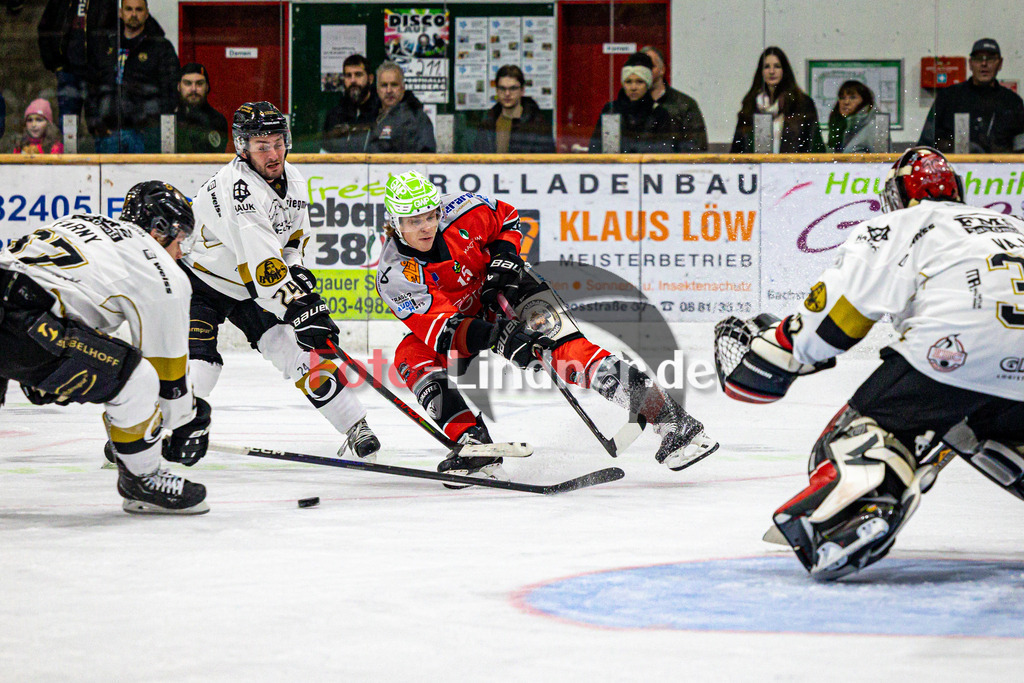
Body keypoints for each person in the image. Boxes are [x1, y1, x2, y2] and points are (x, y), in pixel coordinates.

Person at [714, 147, 1024, 580]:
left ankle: (864, 506)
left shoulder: (902, 224)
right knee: (982, 421)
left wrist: (775, 350)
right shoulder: (1015, 227)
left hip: (953, 354)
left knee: (849, 437)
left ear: (897, 196)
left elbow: (830, 325)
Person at [375, 171, 718, 481]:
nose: (425, 226)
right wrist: (500, 339)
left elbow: (508, 218)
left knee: (568, 352)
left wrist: (505, 260)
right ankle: (471, 442)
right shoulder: (395, 274)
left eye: (430, 216)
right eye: (413, 220)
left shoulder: (463, 209)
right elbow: (446, 330)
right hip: (469, 320)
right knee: (410, 355)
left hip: (511, 288)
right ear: (394, 222)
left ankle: (671, 418)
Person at [185, 101, 381, 460]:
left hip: (247, 282)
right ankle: (148, 429)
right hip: (201, 280)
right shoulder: (239, 192)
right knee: (201, 366)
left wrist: (299, 271)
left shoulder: (294, 180)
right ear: (243, 149)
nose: (273, 153)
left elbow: (292, 242)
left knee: (293, 350)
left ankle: (355, 425)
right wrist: (301, 308)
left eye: (278, 142)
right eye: (262, 146)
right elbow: (263, 270)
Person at [0, 181, 210, 514]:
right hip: (23, 323)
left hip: (15, 305)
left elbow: (63, 294)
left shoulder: (84, 222)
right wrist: (188, 419)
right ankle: (144, 481)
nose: (181, 251)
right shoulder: (159, 264)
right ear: (159, 230)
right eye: (181, 238)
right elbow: (167, 379)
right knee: (137, 377)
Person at [86, 0, 179, 153]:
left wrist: (153, 124)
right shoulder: (105, 45)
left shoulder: (161, 47)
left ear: (147, 13)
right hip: (108, 133)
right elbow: (92, 85)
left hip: (145, 134)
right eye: (129, 9)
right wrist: (95, 123)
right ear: (121, 13)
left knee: (144, 177)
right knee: (108, 178)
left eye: (139, 10)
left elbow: (171, 89)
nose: (134, 14)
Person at [918, 38, 1024, 153]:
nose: (984, 64)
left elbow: (1021, 149)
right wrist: (951, 146)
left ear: (1000, 63)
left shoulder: (1012, 102)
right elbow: (925, 146)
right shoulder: (948, 97)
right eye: (978, 59)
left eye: (991, 59)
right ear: (970, 63)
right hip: (954, 169)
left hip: (1002, 170)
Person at [37, 0, 118, 134]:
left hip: (96, 73)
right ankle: (70, 155)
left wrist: (107, 63)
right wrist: (55, 63)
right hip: (68, 71)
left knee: (101, 128)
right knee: (69, 129)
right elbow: (45, 28)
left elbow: (117, 30)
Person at [730, 46, 825, 154]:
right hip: (758, 168)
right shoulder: (750, 104)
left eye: (777, 66)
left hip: (792, 168)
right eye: (766, 67)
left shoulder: (802, 104)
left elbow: (815, 147)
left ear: (784, 70)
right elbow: (737, 149)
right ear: (761, 72)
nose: (771, 71)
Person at [588, 52, 675, 154]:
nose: (633, 88)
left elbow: (665, 152)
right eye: (628, 82)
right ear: (623, 84)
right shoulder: (611, 110)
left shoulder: (659, 114)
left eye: (639, 82)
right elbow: (596, 149)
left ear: (647, 84)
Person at [468, 64, 555, 154]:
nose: (507, 93)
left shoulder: (537, 125)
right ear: (497, 91)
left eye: (513, 88)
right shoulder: (487, 123)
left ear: (522, 90)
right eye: (502, 88)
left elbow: (546, 163)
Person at [641, 46, 708, 152]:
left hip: (674, 166)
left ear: (662, 69)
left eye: (651, 66)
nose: (646, 72)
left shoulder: (685, 104)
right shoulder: (628, 105)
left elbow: (697, 147)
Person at [367, 62, 436, 153]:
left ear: (403, 87)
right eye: (384, 85)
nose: (389, 90)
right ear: (377, 89)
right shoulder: (368, 115)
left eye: (394, 85)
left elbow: (426, 158)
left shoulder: (418, 119)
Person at [321, 54, 381, 154]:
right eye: (348, 76)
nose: (353, 80)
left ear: (370, 79)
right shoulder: (335, 115)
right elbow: (325, 153)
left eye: (358, 75)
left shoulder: (381, 111)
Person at [174, 63, 228, 153]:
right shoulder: (170, 119)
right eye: (188, 83)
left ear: (207, 87)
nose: (193, 89)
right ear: (179, 86)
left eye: (199, 84)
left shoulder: (217, 120)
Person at [827, 80, 884, 153]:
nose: (846, 102)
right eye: (842, 98)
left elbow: (883, 160)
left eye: (853, 97)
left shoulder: (875, 126)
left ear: (864, 101)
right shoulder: (838, 125)